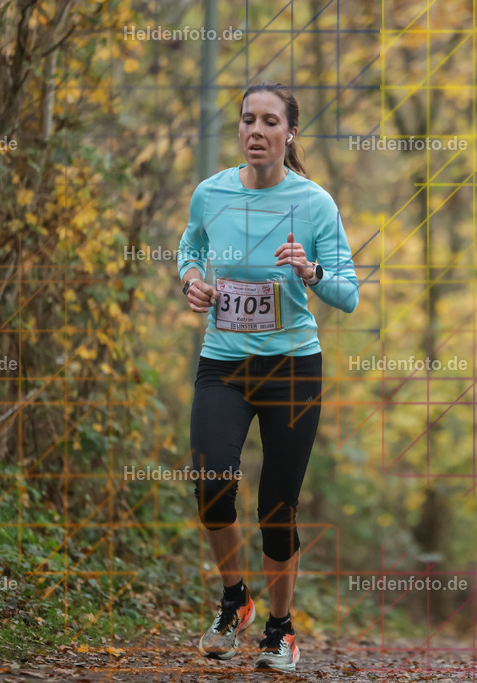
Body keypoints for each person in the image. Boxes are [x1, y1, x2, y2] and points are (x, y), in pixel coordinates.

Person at [177, 80, 359, 673]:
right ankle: (236, 600)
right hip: (223, 365)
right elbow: (189, 246)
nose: (256, 131)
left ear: (290, 134)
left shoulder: (314, 204)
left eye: (269, 122)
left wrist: (310, 271)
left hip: (292, 369)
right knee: (210, 482)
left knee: (278, 508)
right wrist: (191, 280)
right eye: (248, 120)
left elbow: (349, 295)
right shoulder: (212, 193)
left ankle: (280, 631)